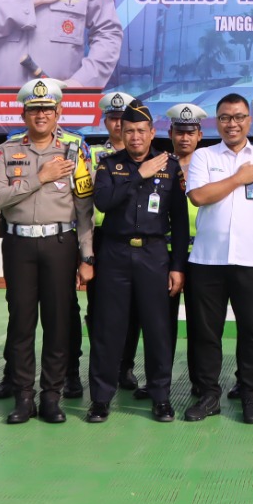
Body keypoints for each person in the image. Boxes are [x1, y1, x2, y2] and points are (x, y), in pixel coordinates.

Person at [0, 78, 95, 425]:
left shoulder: (75, 150)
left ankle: (52, 396)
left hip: (60, 244)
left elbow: (84, 208)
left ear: (58, 111)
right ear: (23, 113)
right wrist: (41, 177)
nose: (41, 116)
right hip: (19, 244)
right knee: (21, 323)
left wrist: (87, 256)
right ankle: (23, 397)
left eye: (47, 109)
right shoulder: (6, 151)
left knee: (58, 321)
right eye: (34, 110)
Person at [88, 98, 188, 423]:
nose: (134, 137)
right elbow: (103, 202)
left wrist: (177, 266)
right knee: (108, 329)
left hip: (154, 254)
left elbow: (180, 220)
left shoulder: (170, 166)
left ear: (152, 131)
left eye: (141, 131)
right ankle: (101, 399)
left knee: (158, 329)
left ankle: (161, 397)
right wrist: (139, 175)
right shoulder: (108, 165)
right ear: (121, 130)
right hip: (114, 254)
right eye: (128, 130)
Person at [183, 93, 253, 424]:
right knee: (206, 332)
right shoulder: (204, 157)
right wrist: (238, 178)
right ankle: (209, 394)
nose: (232, 123)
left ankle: (250, 393)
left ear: (249, 121)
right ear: (217, 122)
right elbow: (199, 195)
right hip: (207, 260)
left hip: (252, 258)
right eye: (225, 117)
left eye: (238, 117)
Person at [80, 89, 137, 400]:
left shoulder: (143, 155)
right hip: (100, 237)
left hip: (131, 235)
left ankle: (125, 365)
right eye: (113, 118)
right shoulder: (89, 155)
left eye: (123, 118)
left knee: (132, 308)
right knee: (100, 309)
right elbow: (84, 203)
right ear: (104, 120)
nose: (117, 124)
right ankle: (101, 365)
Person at [164, 103, 207, 361]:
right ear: (171, 133)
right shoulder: (159, 165)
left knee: (200, 322)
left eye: (190, 132)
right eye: (180, 132)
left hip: (200, 252)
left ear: (199, 135)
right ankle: (160, 379)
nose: (185, 138)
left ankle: (199, 381)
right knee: (162, 320)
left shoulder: (211, 165)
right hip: (166, 251)